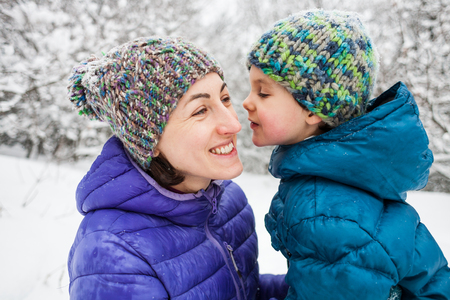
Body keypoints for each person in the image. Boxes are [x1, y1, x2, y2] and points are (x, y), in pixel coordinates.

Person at [242, 9, 450, 300]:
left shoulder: (322, 210)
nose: (246, 102)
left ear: (314, 109)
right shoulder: (337, 179)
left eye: (263, 93)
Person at [67, 36, 288, 300]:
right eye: (200, 111)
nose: (233, 124)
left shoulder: (229, 201)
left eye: (225, 98)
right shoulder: (111, 252)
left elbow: (245, 292)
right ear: (150, 140)